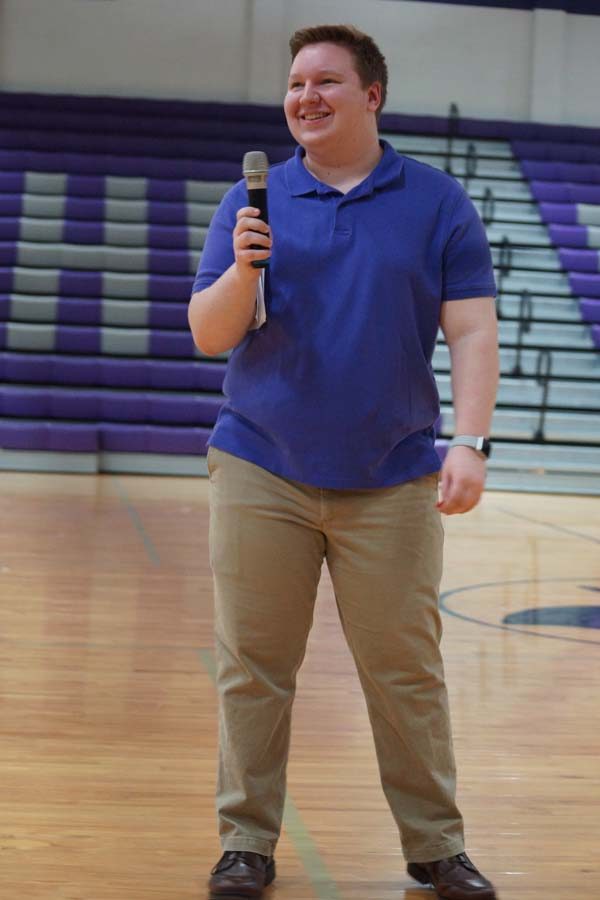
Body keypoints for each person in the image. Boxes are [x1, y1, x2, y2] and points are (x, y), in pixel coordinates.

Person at [188, 23, 499, 900]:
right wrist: (245, 270)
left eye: (326, 81)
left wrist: (469, 442)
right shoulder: (250, 203)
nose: (305, 97)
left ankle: (435, 846)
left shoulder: (437, 202)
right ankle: (245, 842)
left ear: (372, 96)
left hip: (393, 473)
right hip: (261, 466)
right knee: (253, 666)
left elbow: (472, 327)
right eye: (294, 83)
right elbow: (210, 334)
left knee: (406, 672)